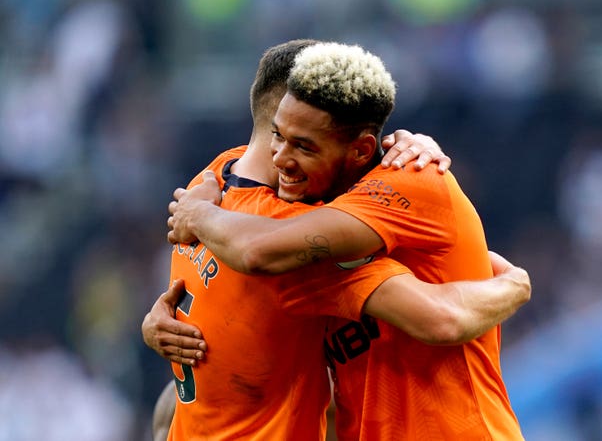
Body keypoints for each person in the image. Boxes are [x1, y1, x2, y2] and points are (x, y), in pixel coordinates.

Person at [143, 40, 529, 440]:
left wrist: (516, 284)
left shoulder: (215, 182)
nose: (282, 158)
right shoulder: (293, 236)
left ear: (360, 148)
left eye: (304, 145)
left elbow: (442, 318)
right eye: (282, 136)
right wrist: (512, 284)